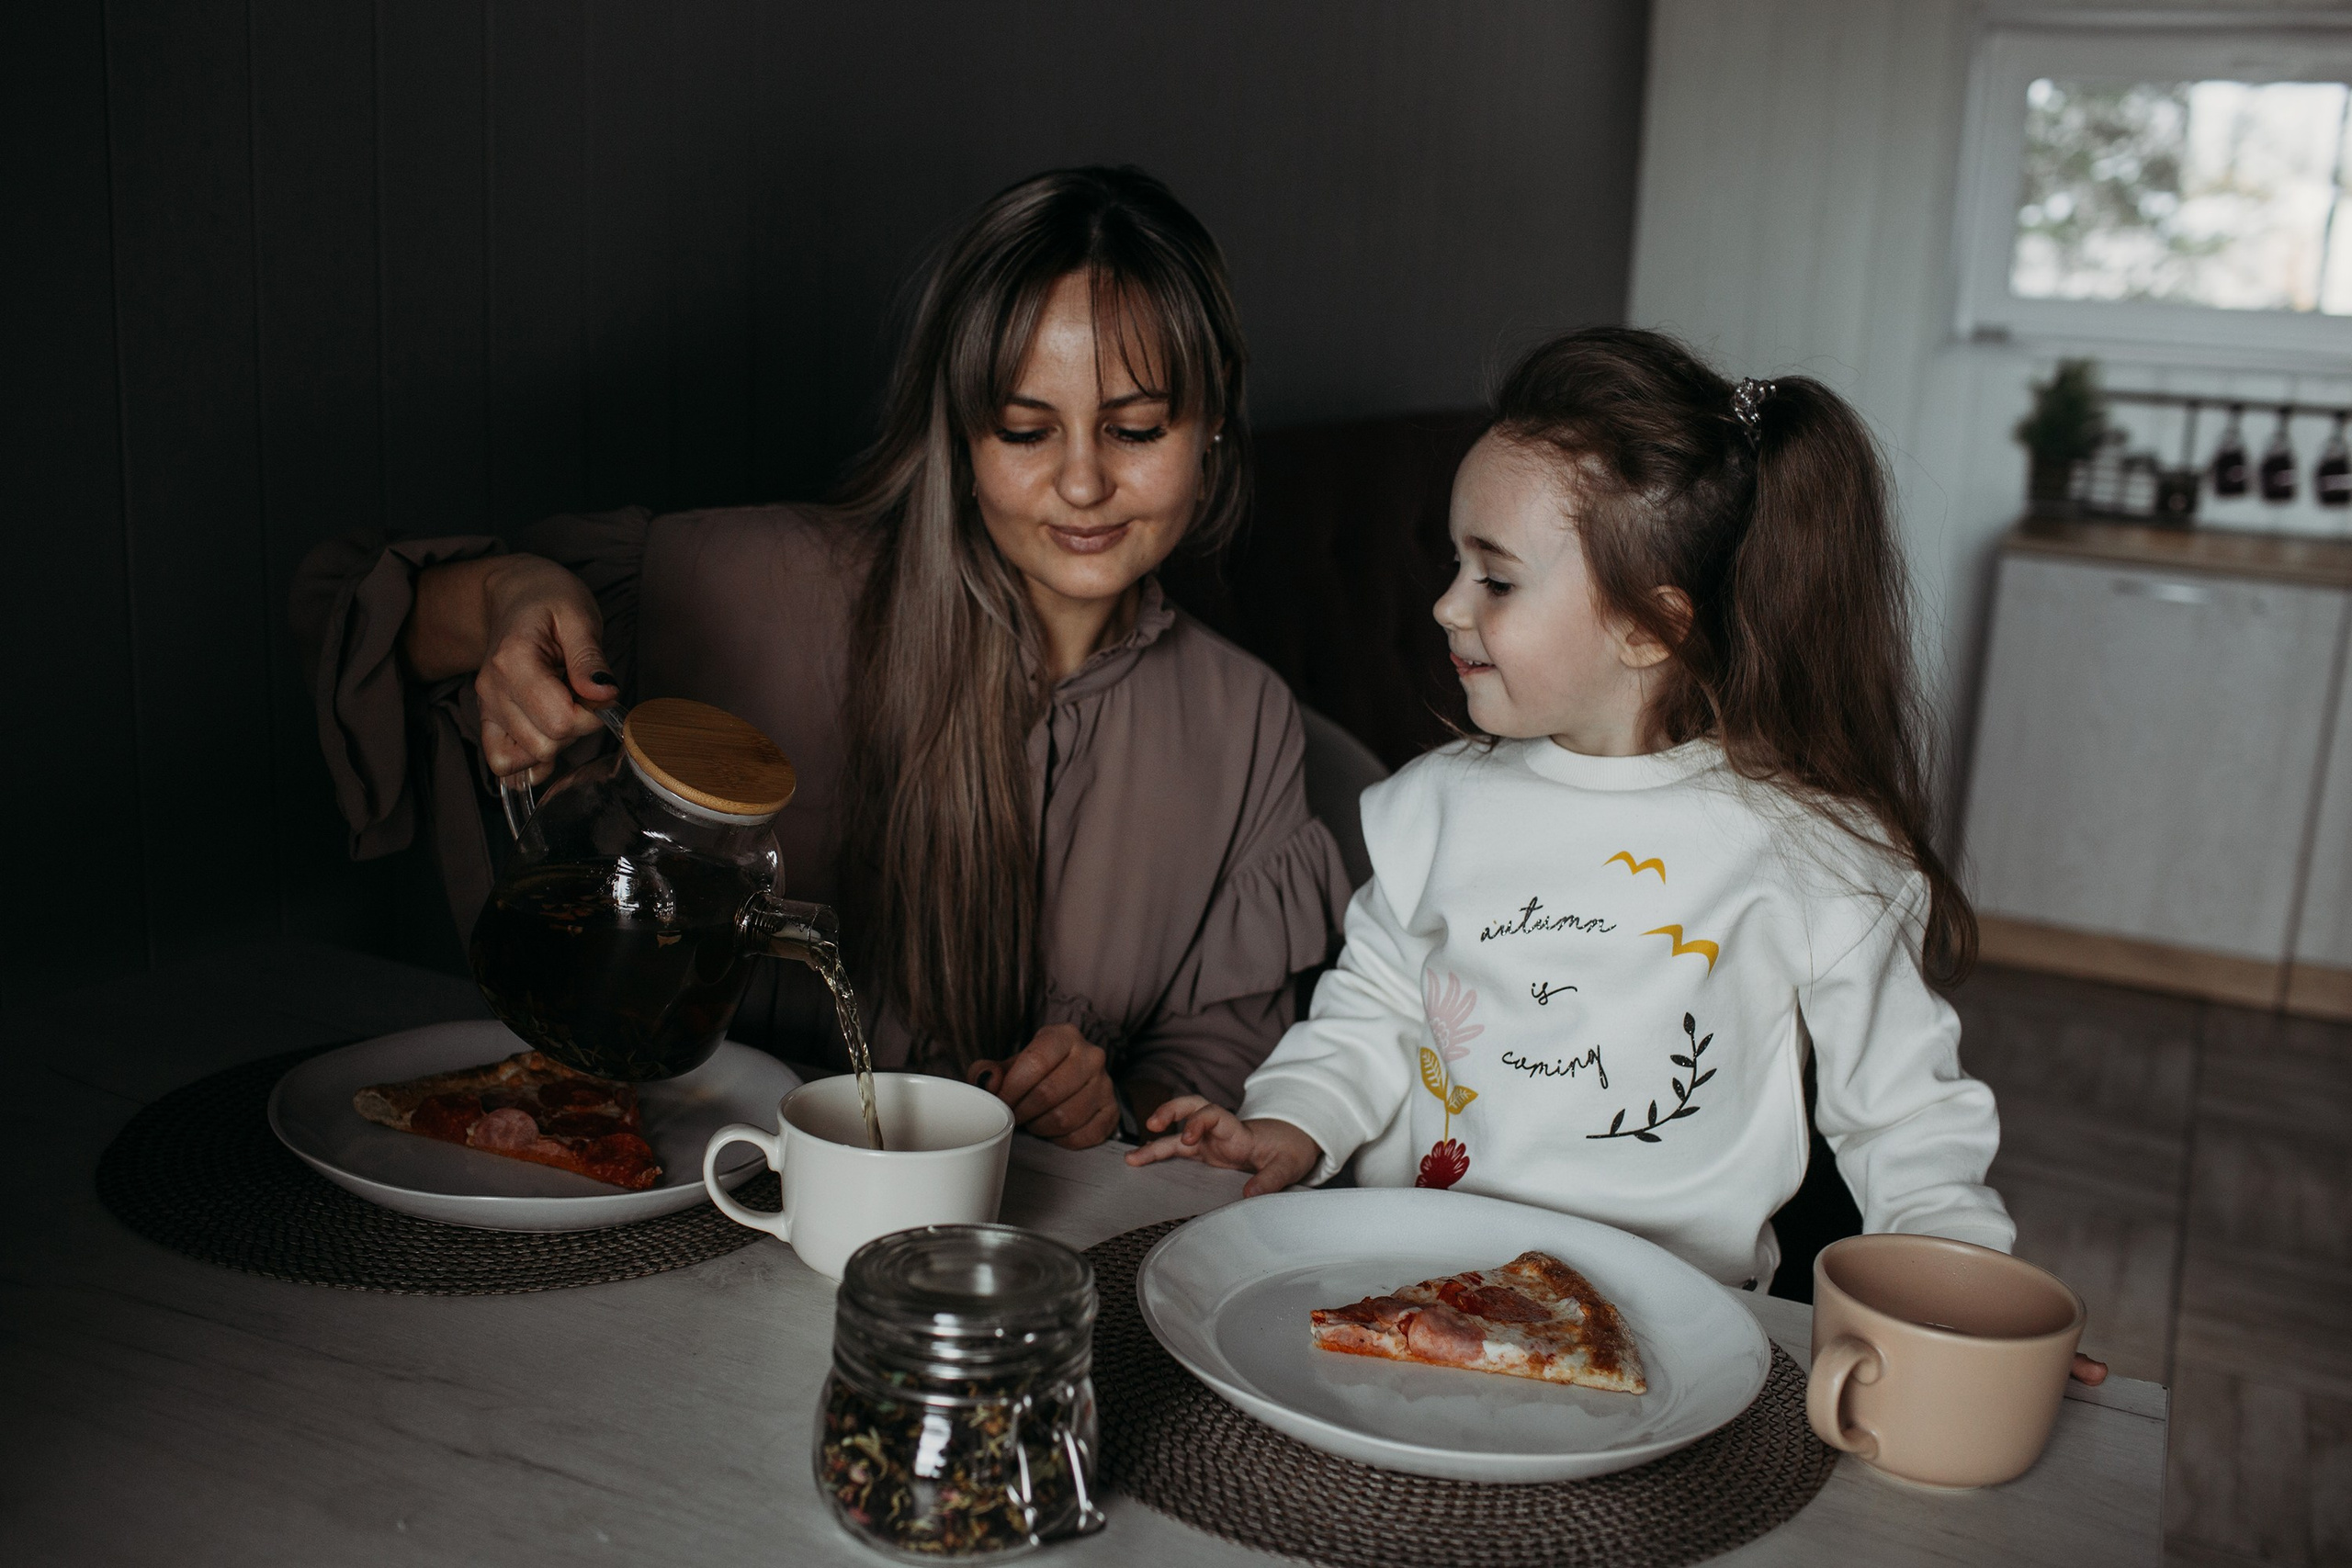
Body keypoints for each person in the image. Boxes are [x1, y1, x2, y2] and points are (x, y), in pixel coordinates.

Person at [293, 166, 1350, 1150]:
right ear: (960, 431)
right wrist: (504, 597)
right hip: (664, 1174)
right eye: (1026, 431)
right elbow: (367, 614)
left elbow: (1216, 1070)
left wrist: (1104, 1099)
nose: (1081, 485)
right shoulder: (762, 584)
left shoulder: (1243, 719)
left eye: (1134, 429)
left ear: (1211, 422)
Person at [1126, 326, 2109, 1380]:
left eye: (1495, 580)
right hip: (1411, 1293)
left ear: (1650, 627)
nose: (1446, 604)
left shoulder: (1814, 857)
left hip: (1671, 1332)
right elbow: (1371, 1010)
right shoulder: (1434, 807)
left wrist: (1961, 1307)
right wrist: (1290, 1122)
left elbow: (1907, 1119)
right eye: (1454, 565)